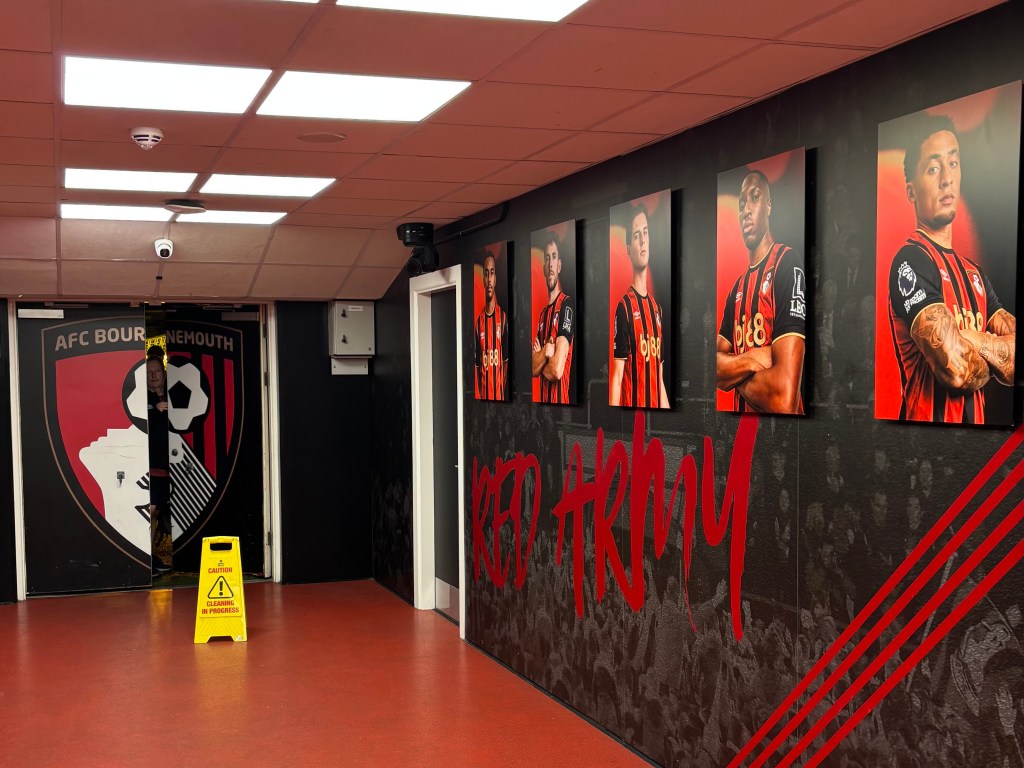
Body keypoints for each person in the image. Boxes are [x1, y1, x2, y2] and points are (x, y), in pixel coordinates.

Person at [887, 114, 1015, 423]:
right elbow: (955, 371)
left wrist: (968, 338)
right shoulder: (911, 261)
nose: (946, 178)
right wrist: (995, 349)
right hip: (922, 444)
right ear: (911, 191)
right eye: (933, 168)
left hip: (975, 446)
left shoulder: (975, 275)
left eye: (953, 164)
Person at [716, 170, 806, 413]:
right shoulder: (736, 289)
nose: (746, 210)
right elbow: (712, 369)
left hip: (783, 438)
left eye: (754, 198)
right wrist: (754, 358)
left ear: (768, 205)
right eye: (741, 204)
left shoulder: (787, 263)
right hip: (740, 433)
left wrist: (733, 371)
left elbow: (783, 398)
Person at [611, 203, 669, 408]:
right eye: (637, 235)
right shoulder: (624, 307)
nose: (643, 240)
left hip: (656, 421)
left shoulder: (657, 310)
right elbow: (617, 377)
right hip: (631, 420)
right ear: (629, 250)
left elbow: (659, 379)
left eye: (645, 233)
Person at [532, 232, 575, 404]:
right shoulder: (542, 315)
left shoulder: (566, 305)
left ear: (559, 266)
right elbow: (532, 369)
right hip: (543, 409)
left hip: (562, 407)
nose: (550, 264)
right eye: (547, 258)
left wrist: (539, 357)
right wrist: (546, 352)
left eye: (554, 257)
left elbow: (557, 371)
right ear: (544, 267)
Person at [146, 346, 172, 575]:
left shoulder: (177, 393)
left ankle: (153, 559)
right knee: (151, 512)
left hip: (175, 466)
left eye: (156, 371)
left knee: (160, 513)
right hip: (150, 466)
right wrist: (154, 409)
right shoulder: (140, 399)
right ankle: (145, 560)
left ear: (164, 372)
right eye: (148, 373)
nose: (153, 375)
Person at [474, 252, 509, 400]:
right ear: (483, 279)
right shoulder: (478, 323)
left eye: (492, 273)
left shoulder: (503, 318)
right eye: (486, 274)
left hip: (500, 398)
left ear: (495, 279)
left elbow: (505, 362)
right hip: (483, 399)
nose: (489, 279)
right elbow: (477, 367)